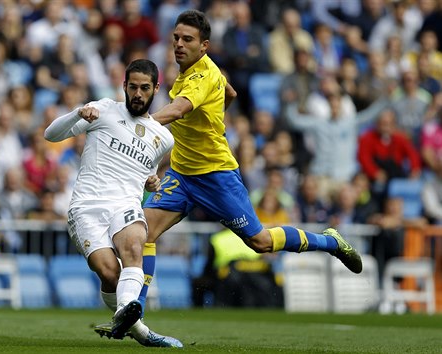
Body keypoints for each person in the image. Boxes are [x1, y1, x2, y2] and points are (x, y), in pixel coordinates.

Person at [133, 10, 363, 317]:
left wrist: (134, 122)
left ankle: (330, 241)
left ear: (204, 46)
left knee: (261, 242)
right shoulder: (196, 72)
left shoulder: (201, 76)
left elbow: (176, 111)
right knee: (144, 233)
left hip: (215, 176)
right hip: (182, 174)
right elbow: (231, 91)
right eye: (176, 37)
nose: (179, 44)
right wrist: (216, 116)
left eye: (187, 39)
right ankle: (136, 309)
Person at [44, 59, 182, 348]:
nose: (138, 94)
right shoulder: (104, 109)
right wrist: (77, 113)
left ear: (156, 89)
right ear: (124, 86)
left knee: (134, 246)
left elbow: (147, 171)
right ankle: (140, 331)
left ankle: (125, 312)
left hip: (126, 204)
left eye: (145, 88)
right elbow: (50, 134)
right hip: (87, 206)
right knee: (109, 273)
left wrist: (152, 181)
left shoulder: (164, 138)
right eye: (133, 87)